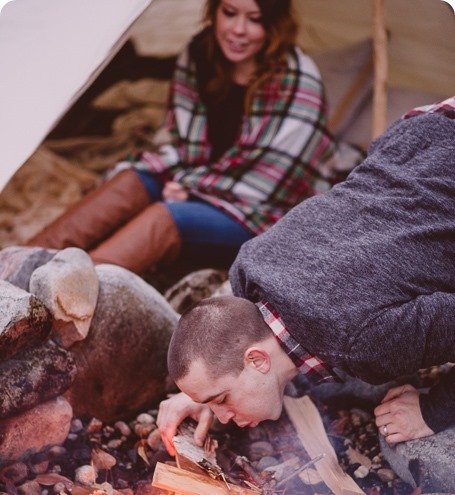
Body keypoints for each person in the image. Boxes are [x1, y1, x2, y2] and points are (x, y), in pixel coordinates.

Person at [157, 96, 455, 453]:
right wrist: (201, 392)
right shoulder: (250, 266)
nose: (222, 416)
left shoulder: (365, 344)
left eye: (222, 400)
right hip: (424, 131)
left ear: (257, 360)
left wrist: (432, 410)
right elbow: (219, 336)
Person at [27, 0, 337, 275]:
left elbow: (271, 183)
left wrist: (191, 189)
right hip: (197, 178)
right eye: (229, 13)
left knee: (164, 218)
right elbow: (181, 143)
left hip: (260, 212)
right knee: (130, 181)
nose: (239, 29)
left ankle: (66, 293)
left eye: (254, 19)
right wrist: (186, 183)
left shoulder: (298, 81)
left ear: (274, 23)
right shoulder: (200, 54)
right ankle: (20, 266)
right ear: (213, 11)